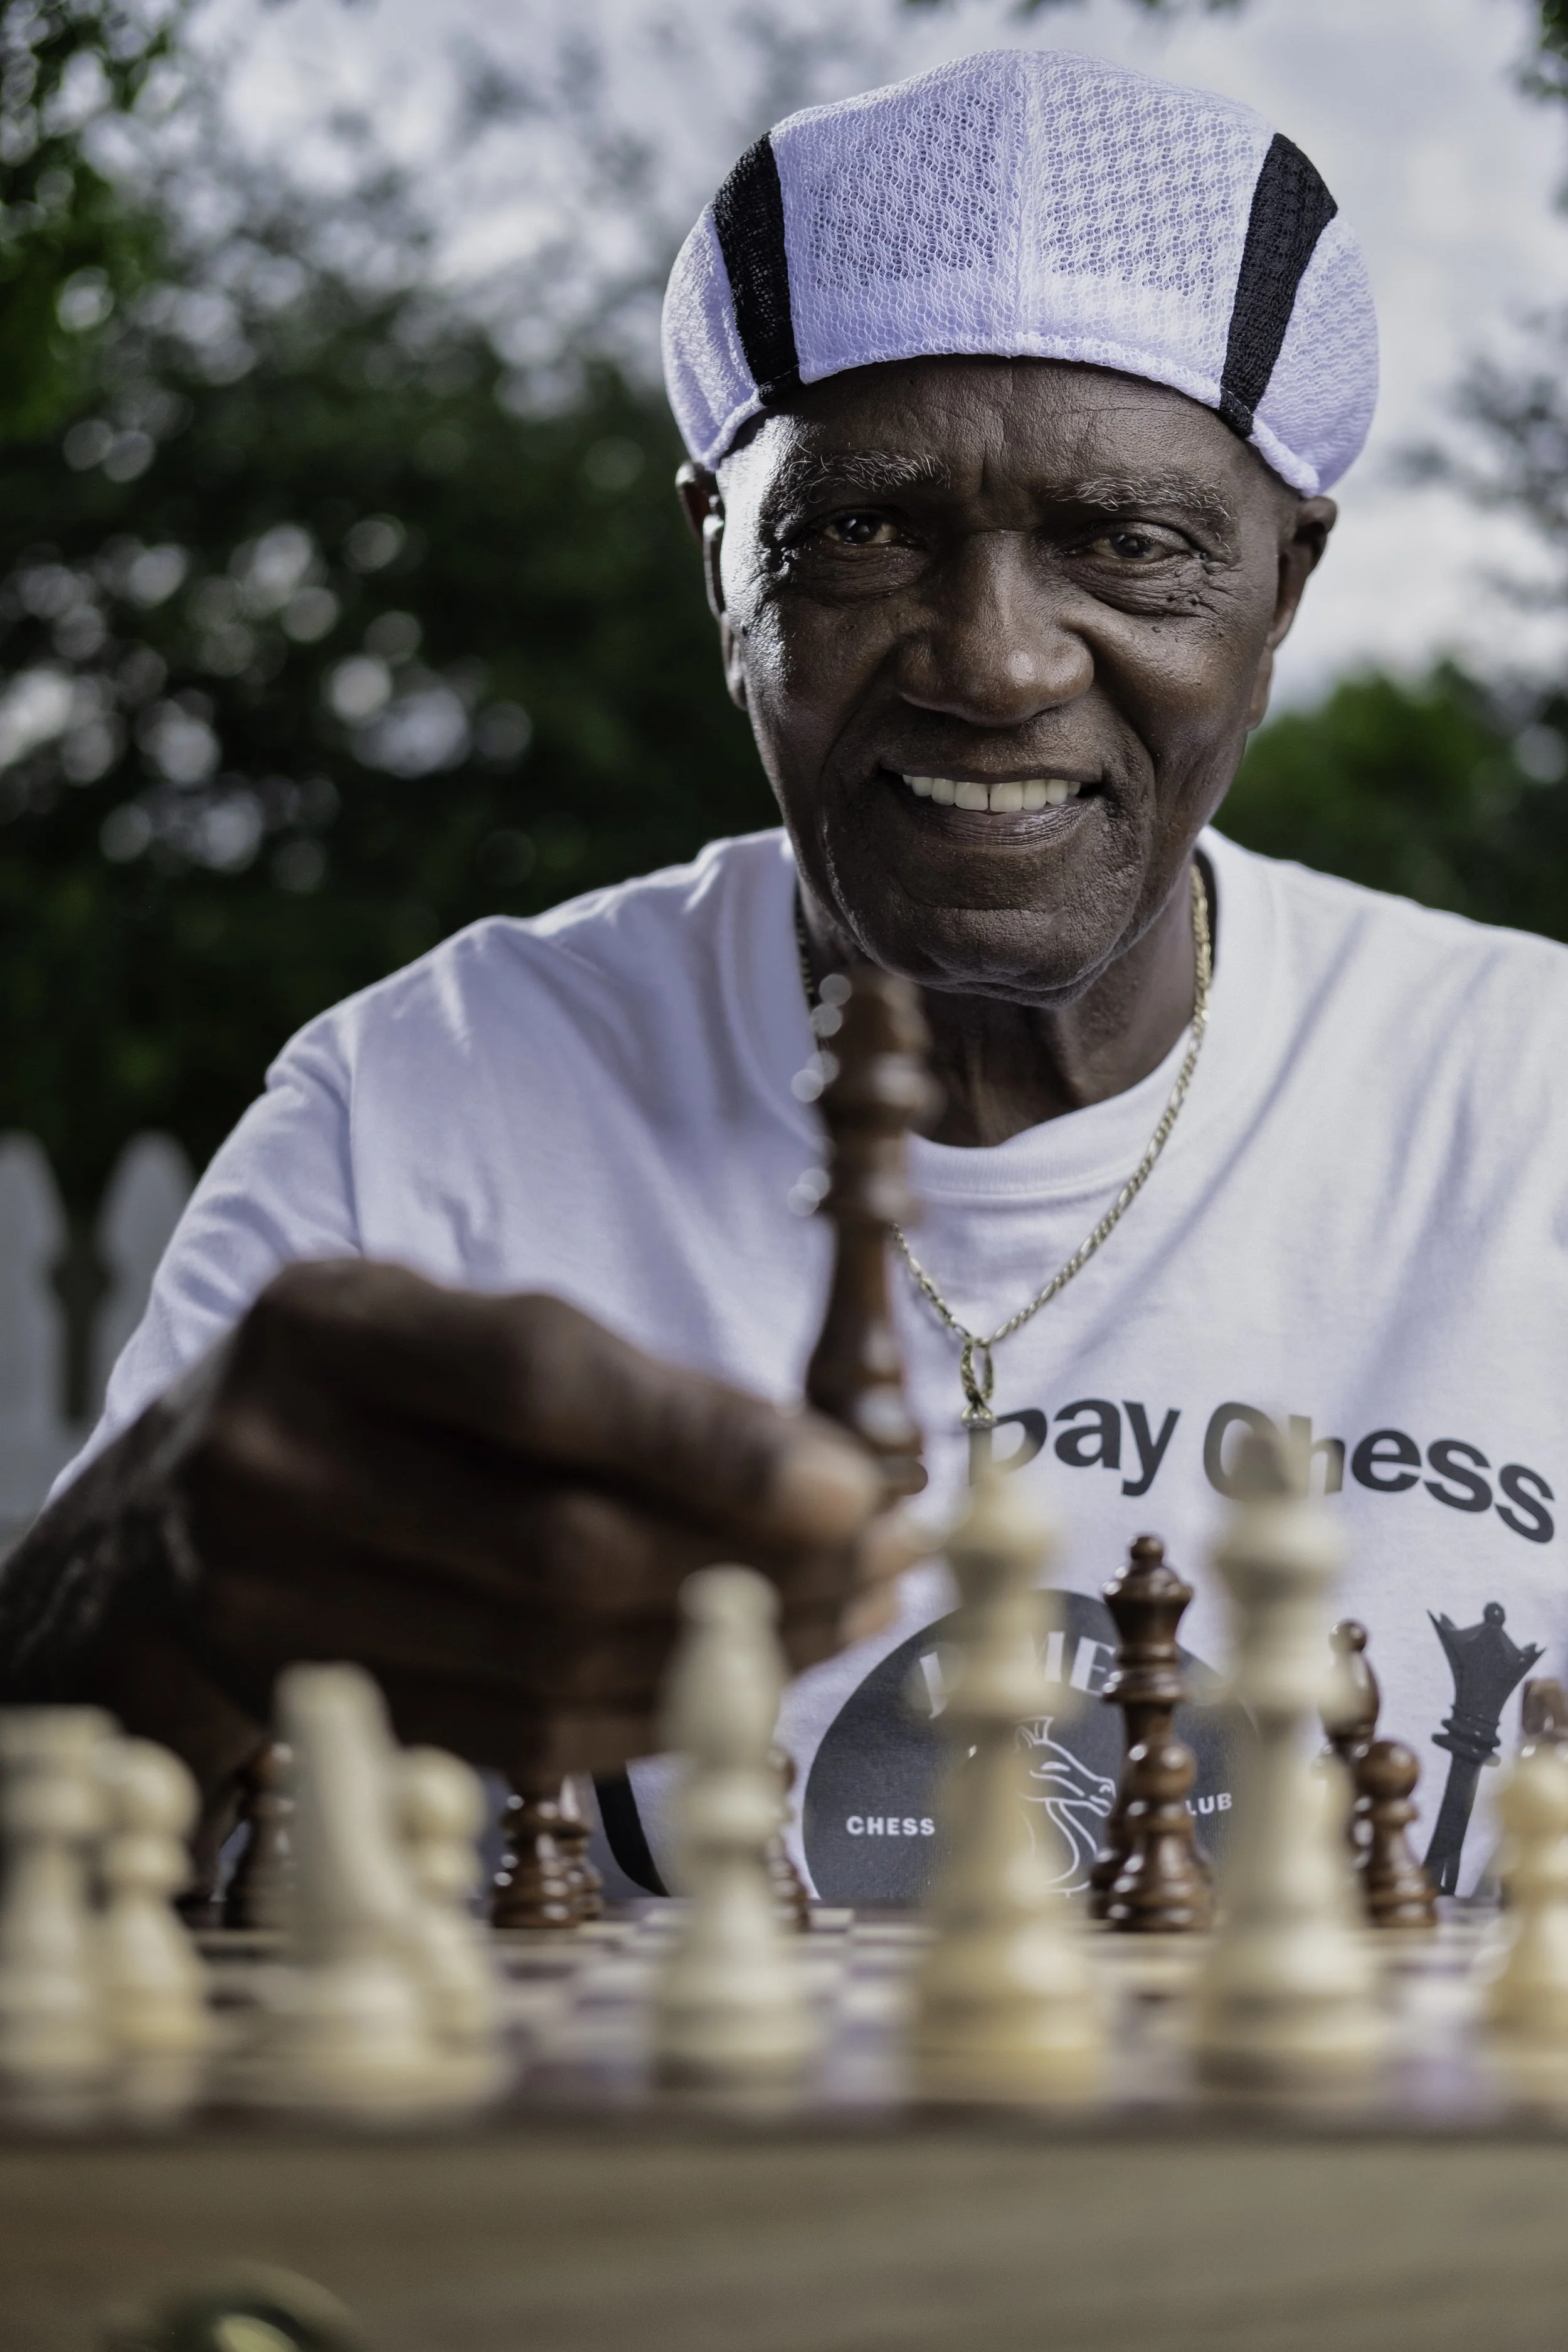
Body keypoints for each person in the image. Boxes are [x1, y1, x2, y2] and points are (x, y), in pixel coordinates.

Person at [3, 50, 1561, 1904]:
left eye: (1126, 543)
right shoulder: (420, 1106)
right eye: (859, 532)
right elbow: (72, 1854)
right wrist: (132, 1595)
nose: (991, 662)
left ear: (1284, 586)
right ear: (714, 556)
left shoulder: (1530, 1097)